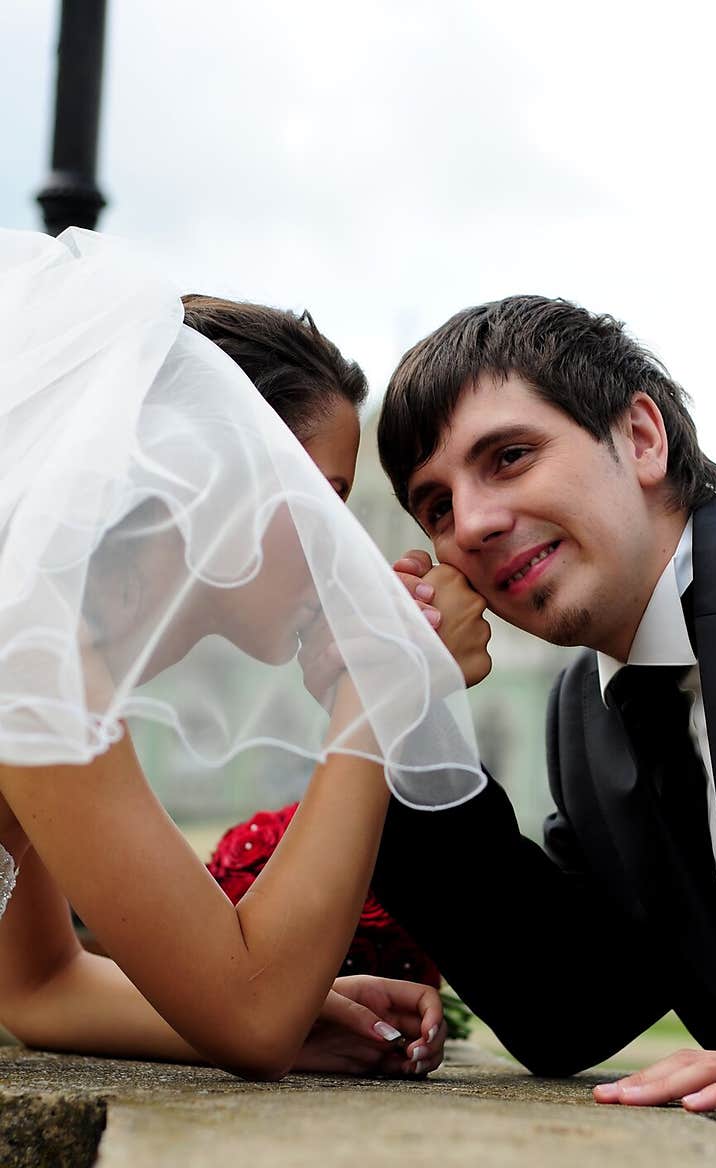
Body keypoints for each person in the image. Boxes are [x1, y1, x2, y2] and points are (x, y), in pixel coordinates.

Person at [370, 292, 716, 1159]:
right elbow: (566, 1005)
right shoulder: (584, 718)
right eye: (437, 508)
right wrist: (400, 711)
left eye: (510, 456)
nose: (475, 524)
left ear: (642, 438)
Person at [0, 227, 489, 1082]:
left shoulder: (50, 643)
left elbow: (38, 984)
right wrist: (382, 680)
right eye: (324, 501)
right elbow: (252, 1012)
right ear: (212, 472)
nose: (349, 550)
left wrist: (296, 1014)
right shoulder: (37, 661)